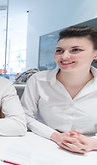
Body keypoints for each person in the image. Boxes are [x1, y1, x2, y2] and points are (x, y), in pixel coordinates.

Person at [21, 25, 97, 154]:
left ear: (95, 53)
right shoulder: (38, 80)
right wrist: (56, 136)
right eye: (59, 50)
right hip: (44, 143)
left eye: (76, 50)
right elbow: (24, 116)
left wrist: (91, 143)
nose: (64, 56)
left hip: (89, 152)